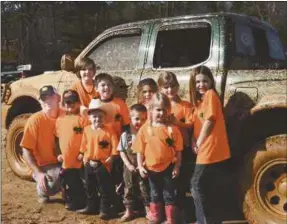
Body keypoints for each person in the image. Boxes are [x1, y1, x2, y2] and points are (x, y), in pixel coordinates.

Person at [189, 65, 236, 224]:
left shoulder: (210, 95)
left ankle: (204, 221)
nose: (201, 85)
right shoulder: (200, 102)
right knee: (209, 185)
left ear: (211, 82)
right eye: (197, 82)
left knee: (196, 184)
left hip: (210, 147)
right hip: (207, 146)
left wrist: (200, 142)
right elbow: (196, 124)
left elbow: (210, 120)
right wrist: (193, 140)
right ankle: (208, 219)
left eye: (205, 81)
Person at [134, 93, 183, 224]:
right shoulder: (145, 129)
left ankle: (171, 218)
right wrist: (139, 166)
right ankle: (156, 216)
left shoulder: (172, 129)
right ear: (151, 110)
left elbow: (178, 150)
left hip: (168, 167)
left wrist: (177, 166)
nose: (161, 113)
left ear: (168, 111)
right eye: (158, 110)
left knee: (169, 193)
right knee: (154, 193)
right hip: (151, 169)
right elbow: (140, 150)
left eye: (164, 110)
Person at [158, 71, 196, 223]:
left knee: (182, 181)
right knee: (168, 182)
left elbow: (190, 124)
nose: (169, 90)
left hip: (183, 148)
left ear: (178, 86)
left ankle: (184, 212)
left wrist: (177, 123)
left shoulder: (185, 105)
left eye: (173, 86)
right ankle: (168, 213)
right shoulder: (160, 106)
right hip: (165, 150)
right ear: (160, 88)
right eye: (166, 87)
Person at [77, 99, 121, 219]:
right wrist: (82, 154)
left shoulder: (109, 130)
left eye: (100, 117)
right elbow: (84, 144)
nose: (97, 119)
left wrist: (112, 157)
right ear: (90, 118)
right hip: (89, 162)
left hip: (103, 164)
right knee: (89, 185)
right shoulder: (86, 130)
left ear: (105, 117)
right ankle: (92, 206)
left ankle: (104, 209)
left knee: (104, 187)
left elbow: (115, 145)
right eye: (94, 117)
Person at [21, 85, 63, 204]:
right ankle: (42, 189)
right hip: (45, 164)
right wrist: (38, 172)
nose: (47, 101)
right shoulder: (35, 120)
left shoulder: (65, 115)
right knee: (53, 182)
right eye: (44, 98)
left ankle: (65, 187)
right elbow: (26, 149)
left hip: (65, 160)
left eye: (50, 97)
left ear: (58, 98)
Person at [55, 90, 88, 210]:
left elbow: (87, 137)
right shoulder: (59, 120)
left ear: (78, 103)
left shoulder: (82, 120)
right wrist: (58, 153)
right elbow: (56, 139)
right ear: (63, 104)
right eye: (67, 102)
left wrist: (82, 152)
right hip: (66, 159)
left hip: (79, 158)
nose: (69, 104)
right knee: (69, 181)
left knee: (81, 181)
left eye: (73, 101)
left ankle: (84, 201)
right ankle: (72, 200)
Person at [118, 104, 150, 222]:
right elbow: (121, 151)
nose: (139, 122)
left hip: (144, 167)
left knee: (145, 188)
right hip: (129, 167)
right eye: (136, 118)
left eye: (143, 119)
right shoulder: (125, 135)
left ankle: (148, 210)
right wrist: (128, 165)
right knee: (129, 188)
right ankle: (129, 211)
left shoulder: (148, 134)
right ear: (130, 118)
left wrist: (145, 163)